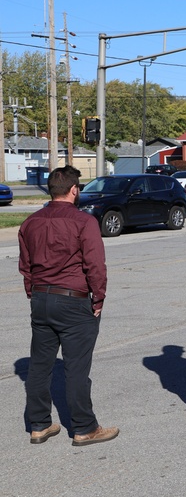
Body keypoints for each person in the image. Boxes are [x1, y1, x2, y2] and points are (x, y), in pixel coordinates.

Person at [19, 166, 119, 447]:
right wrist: (98, 298)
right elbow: (95, 265)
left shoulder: (30, 222)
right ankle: (84, 427)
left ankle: (39, 425)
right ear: (75, 190)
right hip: (73, 299)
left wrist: (33, 294)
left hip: (41, 298)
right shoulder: (83, 222)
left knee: (39, 366)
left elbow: (26, 266)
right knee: (76, 367)